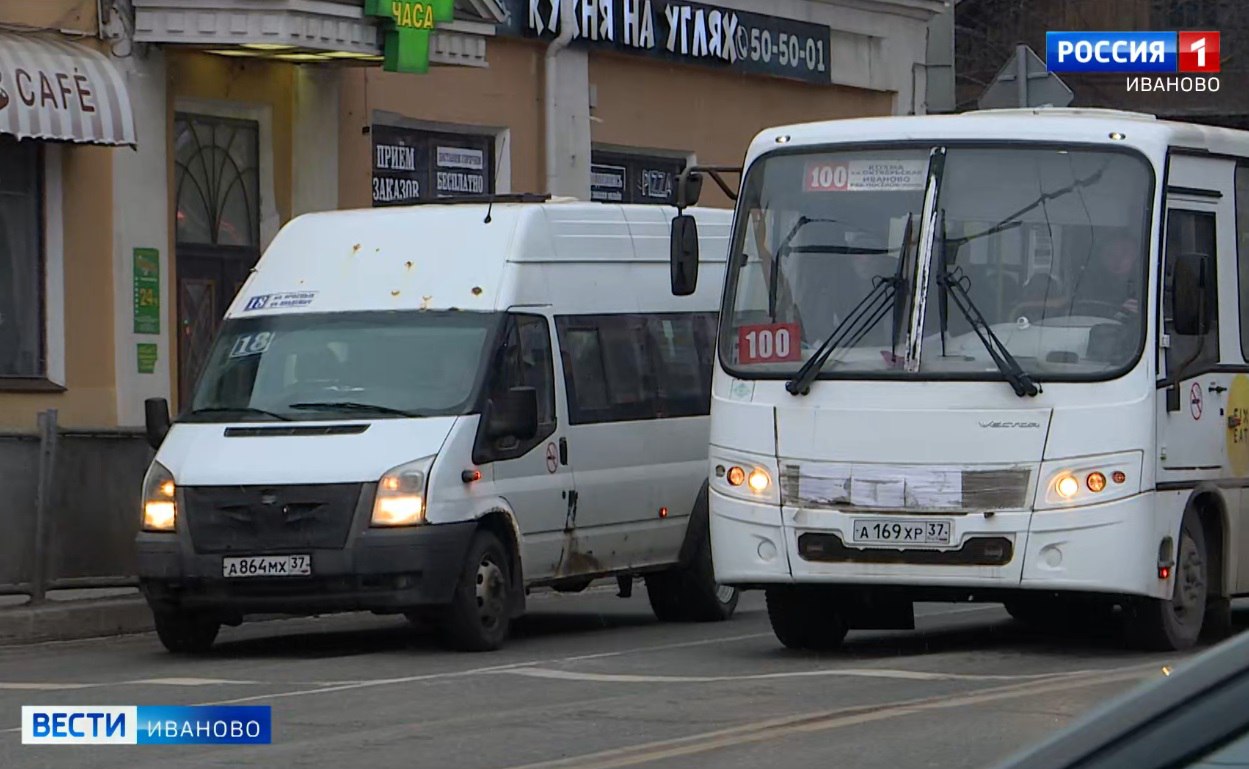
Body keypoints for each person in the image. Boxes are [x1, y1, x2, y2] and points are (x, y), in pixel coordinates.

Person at [1068, 231, 1143, 322]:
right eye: (1110, 253)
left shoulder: (1147, 287)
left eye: (1125, 252)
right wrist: (1117, 313)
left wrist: (1139, 312)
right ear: (1101, 256)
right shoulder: (1087, 285)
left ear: (1136, 256)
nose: (1117, 260)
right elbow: (1080, 313)